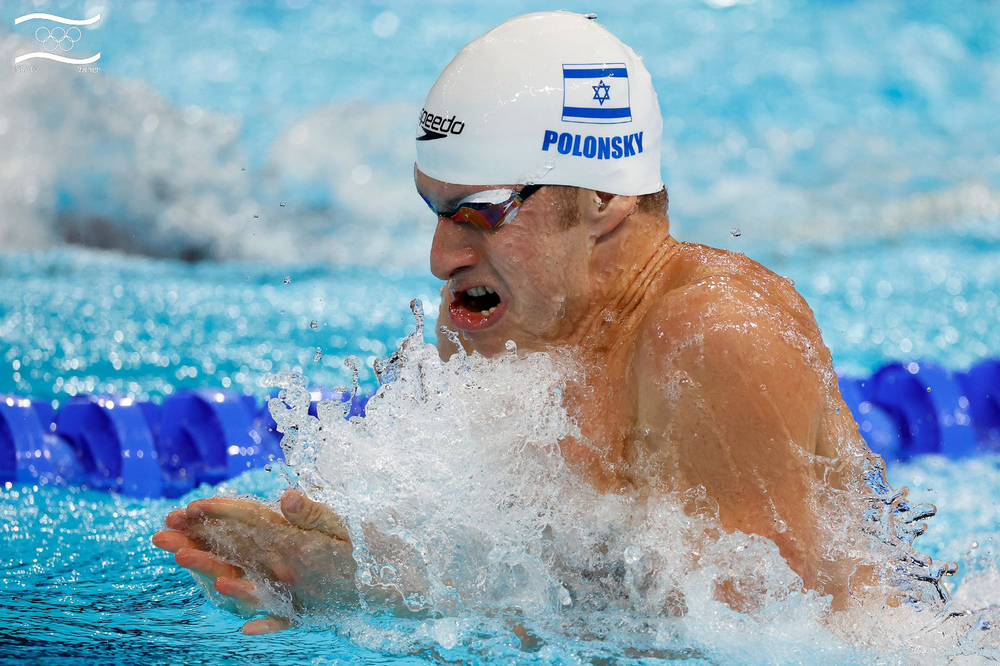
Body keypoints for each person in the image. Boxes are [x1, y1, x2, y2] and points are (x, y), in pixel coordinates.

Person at [152, 11, 876, 634]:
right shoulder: (502, 328)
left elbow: (757, 642)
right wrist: (358, 564)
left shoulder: (717, 338)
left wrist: (384, 600)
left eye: (480, 211)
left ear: (602, 199)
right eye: (435, 211)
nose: (440, 257)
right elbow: (555, 581)